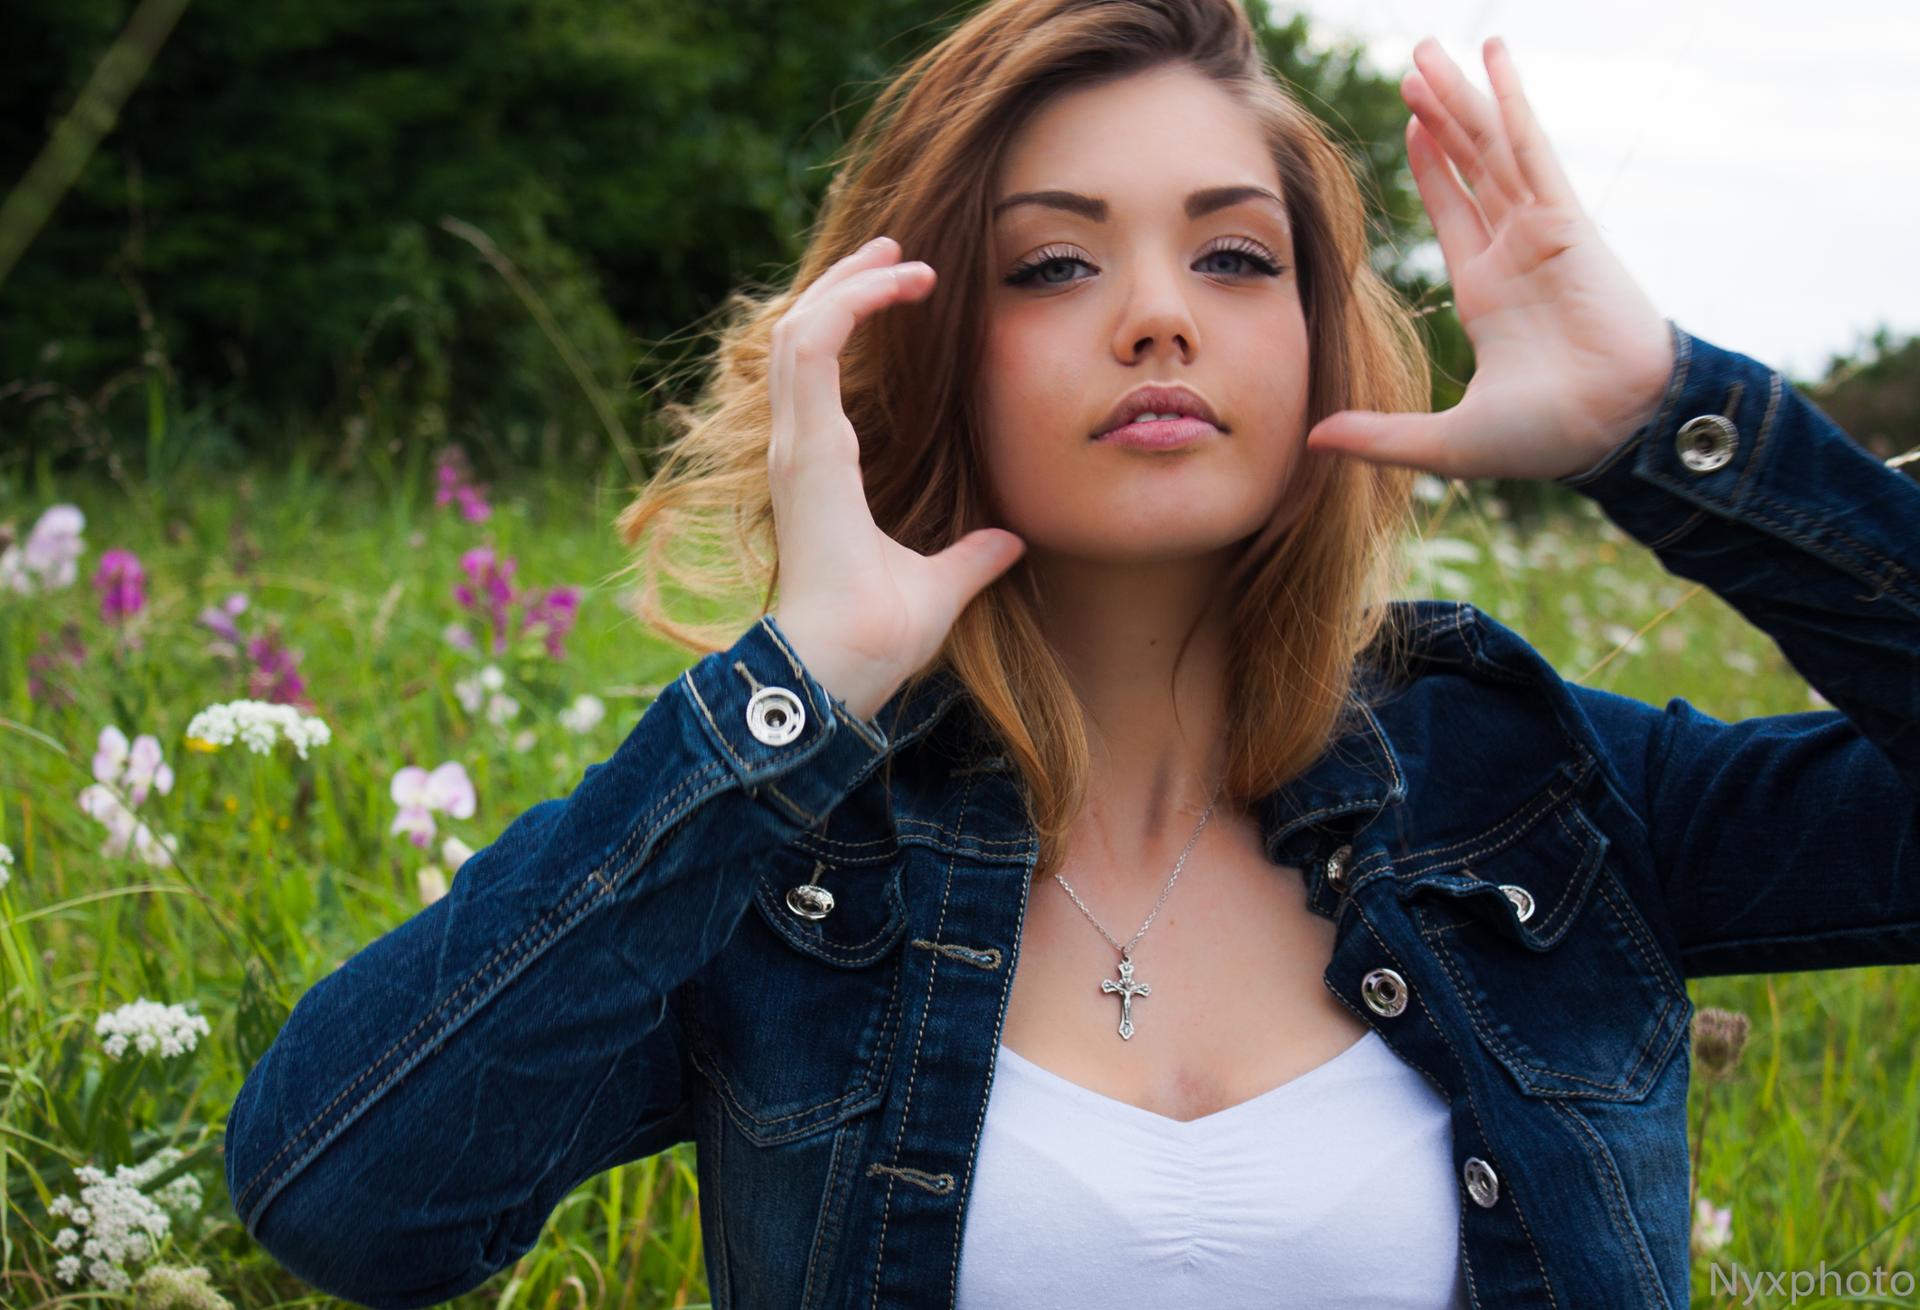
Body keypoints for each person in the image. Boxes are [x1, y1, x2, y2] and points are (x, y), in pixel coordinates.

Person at [222, 1, 1920, 1306]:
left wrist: (1669, 423)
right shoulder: (800, 857)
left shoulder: (1538, 786)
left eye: (1235, 253)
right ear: (932, 344)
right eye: (1056, 261)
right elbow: (345, 1200)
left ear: (1317, 331)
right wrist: (795, 689)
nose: (1159, 310)